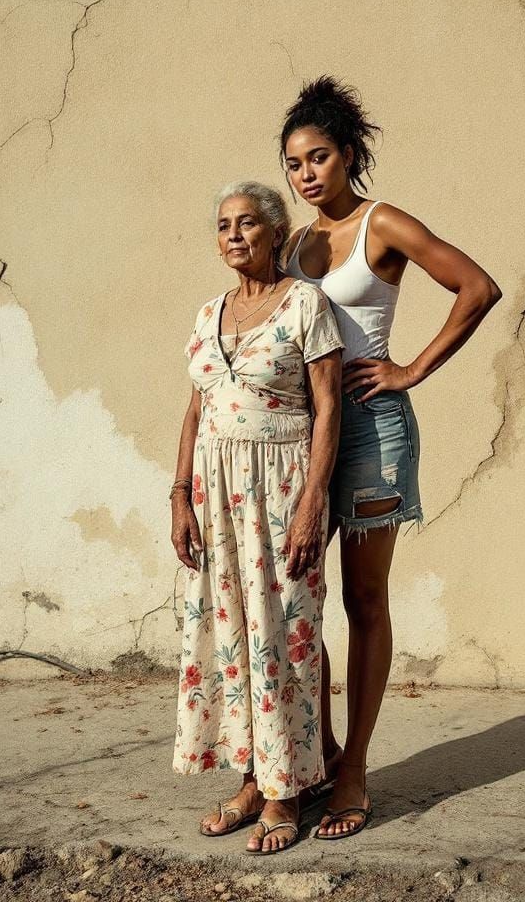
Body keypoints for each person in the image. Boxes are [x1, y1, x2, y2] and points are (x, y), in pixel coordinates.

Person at [280, 76, 503, 839]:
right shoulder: (293, 243)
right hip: (306, 439)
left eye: (318, 157)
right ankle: (318, 753)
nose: (307, 174)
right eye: (294, 164)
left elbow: (476, 286)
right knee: (293, 603)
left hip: (373, 433)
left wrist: (410, 368)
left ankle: (354, 772)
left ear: (348, 156)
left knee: (363, 602)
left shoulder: (383, 223)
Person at [171, 181, 344, 854]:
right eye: (223, 226)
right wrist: (179, 494)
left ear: (277, 232)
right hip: (214, 497)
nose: (235, 234)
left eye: (248, 223)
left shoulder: (306, 304)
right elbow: (195, 411)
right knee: (232, 635)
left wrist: (311, 507)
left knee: (286, 632)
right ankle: (253, 776)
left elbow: (329, 407)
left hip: (281, 487)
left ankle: (287, 789)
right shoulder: (209, 311)